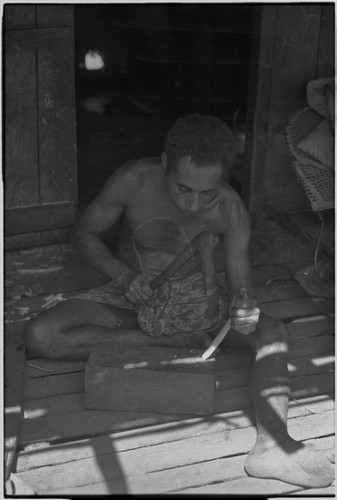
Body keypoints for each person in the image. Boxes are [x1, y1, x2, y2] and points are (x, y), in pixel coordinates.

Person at [24, 114, 334, 488]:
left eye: (208, 192)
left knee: (273, 333)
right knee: (41, 336)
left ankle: (273, 444)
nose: (193, 204)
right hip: (129, 296)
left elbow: (241, 286)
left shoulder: (231, 210)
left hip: (196, 306)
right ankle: (180, 343)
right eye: (184, 189)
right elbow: (85, 232)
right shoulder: (133, 178)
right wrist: (123, 277)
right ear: (166, 163)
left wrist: (245, 309)